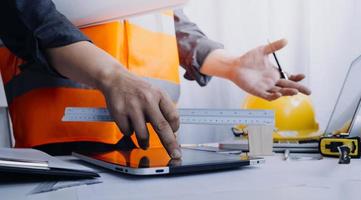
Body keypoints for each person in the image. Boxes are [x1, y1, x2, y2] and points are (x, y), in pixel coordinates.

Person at [0, 0, 310, 159]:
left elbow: (164, 19)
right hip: (60, 143)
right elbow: (27, 13)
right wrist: (112, 75)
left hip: (153, 139)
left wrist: (231, 65)